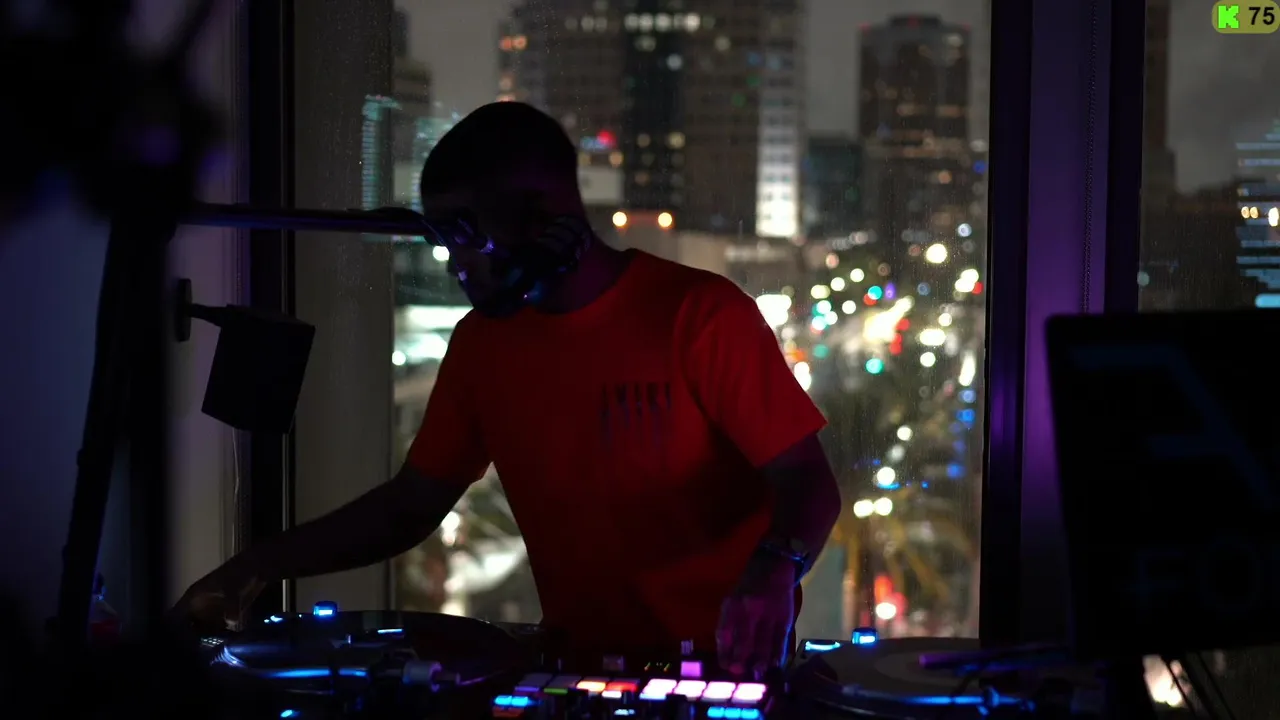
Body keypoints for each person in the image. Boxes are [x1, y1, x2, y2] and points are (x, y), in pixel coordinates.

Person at [174, 102, 841, 676]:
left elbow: (808, 482)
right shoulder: (481, 344)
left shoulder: (700, 316)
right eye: (444, 240)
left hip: (723, 670)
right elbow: (411, 506)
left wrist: (775, 566)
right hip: (573, 669)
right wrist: (256, 564)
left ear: (546, 217)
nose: (457, 265)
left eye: (467, 236)